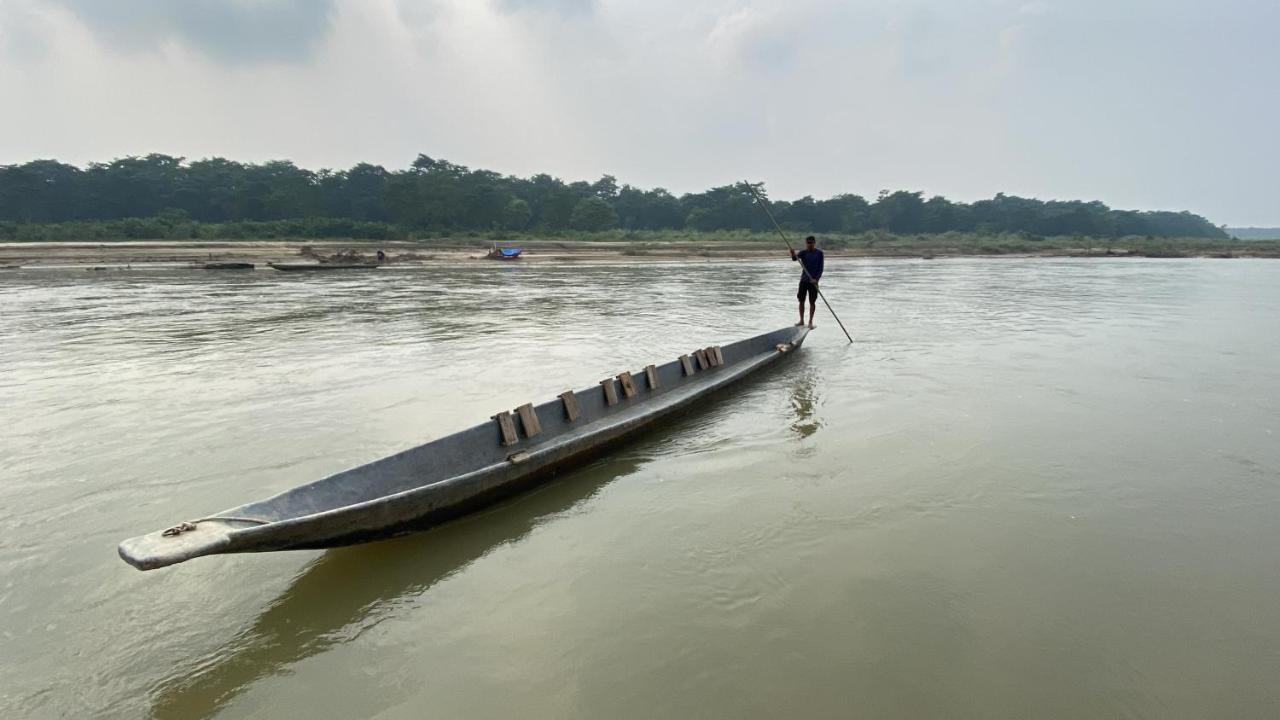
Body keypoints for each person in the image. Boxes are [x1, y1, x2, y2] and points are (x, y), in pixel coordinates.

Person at [790, 235, 824, 328]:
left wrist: (816, 279)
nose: (809, 245)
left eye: (811, 243)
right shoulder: (803, 252)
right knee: (801, 300)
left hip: (813, 281)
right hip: (804, 280)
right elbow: (794, 259)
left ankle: (810, 322)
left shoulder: (819, 253)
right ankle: (801, 320)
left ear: (814, 243)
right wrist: (792, 253)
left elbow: (821, 269)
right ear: (806, 243)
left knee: (812, 302)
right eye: (808, 243)